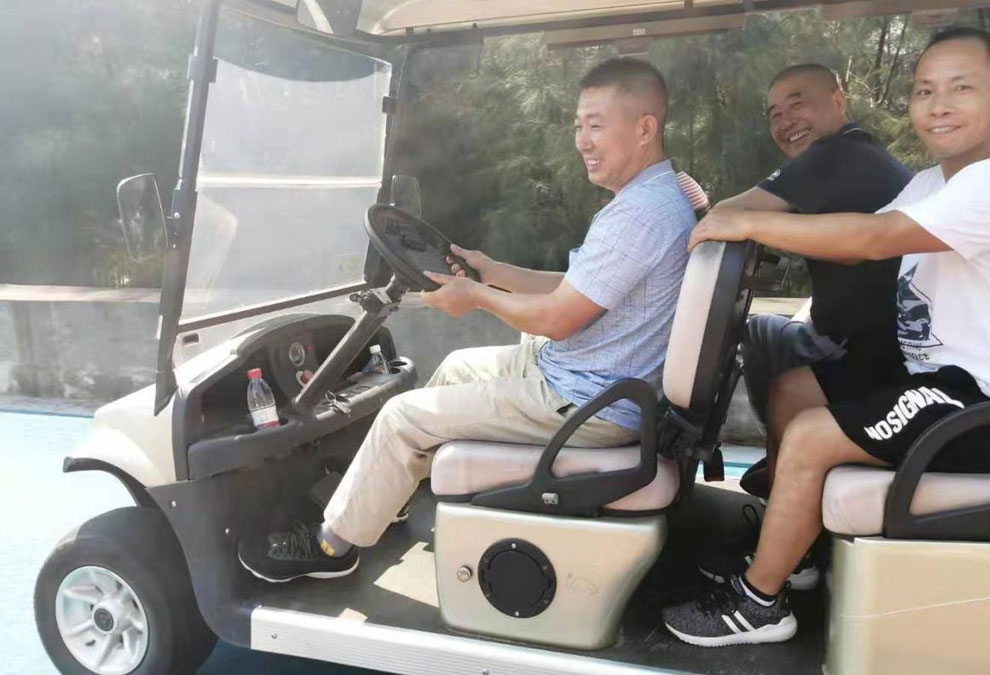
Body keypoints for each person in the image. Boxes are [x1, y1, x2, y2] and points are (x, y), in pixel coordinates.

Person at [662, 27, 990, 647]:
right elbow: (858, 244)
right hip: (945, 382)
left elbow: (873, 240)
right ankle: (793, 555)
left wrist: (747, 221)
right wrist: (762, 229)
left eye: (961, 88)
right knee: (794, 389)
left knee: (810, 435)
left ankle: (759, 605)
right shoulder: (936, 182)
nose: (938, 106)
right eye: (925, 91)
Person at [238, 57, 696, 583]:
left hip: (589, 403)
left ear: (645, 128)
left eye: (596, 125)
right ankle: (385, 496)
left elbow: (558, 317)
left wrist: (476, 295)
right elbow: (573, 287)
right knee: (457, 365)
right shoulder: (654, 197)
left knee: (401, 416)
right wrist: (492, 270)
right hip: (593, 378)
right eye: (578, 126)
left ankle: (331, 544)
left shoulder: (639, 214)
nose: (582, 141)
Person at [709, 65, 911, 502]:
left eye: (797, 104)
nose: (785, 121)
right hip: (864, 339)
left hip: (876, 354)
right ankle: (779, 458)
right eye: (774, 114)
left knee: (768, 348)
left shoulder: (835, 154)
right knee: (767, 332)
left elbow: (726, 213)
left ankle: (782, 476)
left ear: (839, 100)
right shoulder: (861, 155)